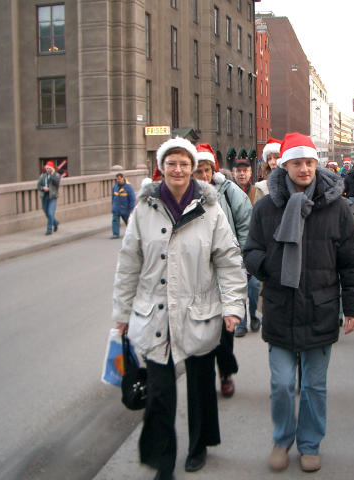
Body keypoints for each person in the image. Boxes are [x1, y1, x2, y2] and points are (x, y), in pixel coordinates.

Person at [112, 137, 247, 480]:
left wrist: (233, 306)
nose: (178, 169)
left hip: (198, 311)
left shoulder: (210, 210)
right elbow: (128, 264)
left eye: (184, 163)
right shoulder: (144, 209)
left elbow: (229, 260)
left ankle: (199, 445)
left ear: (192, 168)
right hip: (155, 313)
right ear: (161, 167)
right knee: (159, 393)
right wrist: (122, 314)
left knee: (200, 386)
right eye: (171, 163)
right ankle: (163, 461)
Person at [243, 132, 354, 473]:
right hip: (280, 308)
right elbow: (250, 250)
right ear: (284, 166)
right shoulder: (266, 207)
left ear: (317, 164)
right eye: (297, 163)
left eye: (309, 162)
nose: (304, 169)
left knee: (314, 385)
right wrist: (271, 266)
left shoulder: (337, 208)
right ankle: (282, 440)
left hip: (321, 308)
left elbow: (353, 261)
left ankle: (310, 444)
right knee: (282, 384)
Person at [193, 143, 253, 398]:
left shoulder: (229, 192)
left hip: (223, 269)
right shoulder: (182, 196)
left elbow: (246, 224)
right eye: (199, 171)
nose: (204, 176)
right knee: (200, 329)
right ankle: (204, 380)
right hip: (194, 275)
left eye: (207, 170)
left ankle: (226, 372)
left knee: (224, 327)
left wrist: (242, 260)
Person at [232, 157, 262, 338]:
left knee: (253, 286)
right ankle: (241, 323)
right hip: (234, 248)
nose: (242, 174)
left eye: (245, 170)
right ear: (234, 173)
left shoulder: (257, 192)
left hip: (254, 246)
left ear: (251, 172)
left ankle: (253, 315)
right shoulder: (228, 192)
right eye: (239, 171)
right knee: (238, 287)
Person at [36, 161, 60, 235]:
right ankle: (55, 223)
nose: (48, 170)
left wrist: (52, 174)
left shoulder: (56, 175)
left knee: (50, 212)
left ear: (52, 169)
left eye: (49, 168)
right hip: (44, 196)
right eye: (47, 168)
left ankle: (49, 229)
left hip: (52, 196)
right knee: (46, 212)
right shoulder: (42, 176)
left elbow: (56, 183)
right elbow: (38, 185)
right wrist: (43, 188)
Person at [111, 172, 135, 239]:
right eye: (117, 179)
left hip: (125, 208)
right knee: (115, 220)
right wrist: (113, 206)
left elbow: (132, 198)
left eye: (119, 179)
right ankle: (115, 234)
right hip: (116, 208)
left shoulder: (128, 187)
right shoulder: (115, 187)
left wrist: (131, 209)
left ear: (123, 178)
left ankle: (132, 233)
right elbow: (113, 197)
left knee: (128, 221)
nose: (118, 180)